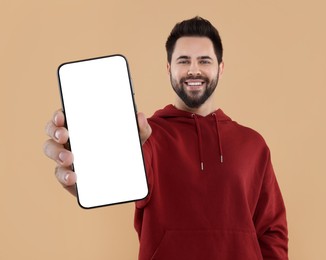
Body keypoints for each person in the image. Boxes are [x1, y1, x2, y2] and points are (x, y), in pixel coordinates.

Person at [44, 16, 288, 260]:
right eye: (183, 61)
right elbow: (124, 173)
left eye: (204, 60)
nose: (194, 70)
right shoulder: (146, 137)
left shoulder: (252, 144)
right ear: (169, 68)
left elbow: (271, 231)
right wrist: (92, 173)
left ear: (220, 68)